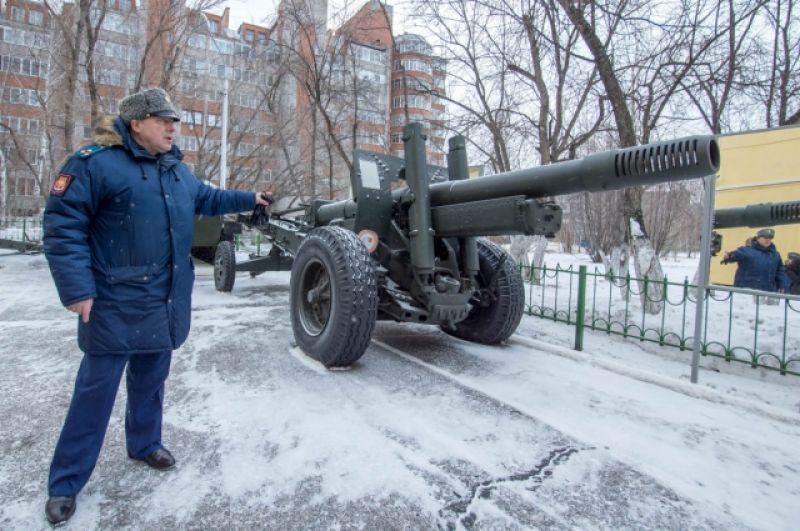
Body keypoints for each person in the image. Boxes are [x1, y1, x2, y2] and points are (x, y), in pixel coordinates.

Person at [41, 87, 272, 526]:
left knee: (151, 381)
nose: (172, 127)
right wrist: (77, 290)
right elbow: (62, 225)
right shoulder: (94, 164)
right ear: (136, 124)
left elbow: (206, 198)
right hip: (113, 301)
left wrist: (249, 198)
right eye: (162, 119)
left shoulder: (175, 170)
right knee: (94, 395)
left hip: (163, 298)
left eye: (174, 121)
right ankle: (65, 483)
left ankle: (145, 444)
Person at [722, 227, 790, 293]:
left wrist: (783, 285)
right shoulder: (746, 250)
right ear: (758, 238)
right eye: (765, 238)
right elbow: (735, 255)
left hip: (767, 292)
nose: (767, 240)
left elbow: (781, 271)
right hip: (745, 291)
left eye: (770, 238)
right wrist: (729, 257)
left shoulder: (775, 255)